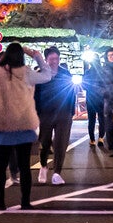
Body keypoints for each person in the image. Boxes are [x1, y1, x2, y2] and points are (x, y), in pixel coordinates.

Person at [0, 43, 52, 210]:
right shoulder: (27, 73)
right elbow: (47, 75)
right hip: (23, 124)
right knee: (24, 166)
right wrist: (36, 55)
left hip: (1, 124)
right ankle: (25, 202)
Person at [34, 46, 75, 185]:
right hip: (45, 113)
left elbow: (71, 92)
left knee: (61, 143)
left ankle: (57, 172)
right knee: (44, 142)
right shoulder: (40, 74)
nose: (54, 61)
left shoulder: (66, 74)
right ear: (46, 60)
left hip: (63, 112)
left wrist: (71, 111)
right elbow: (35, 95)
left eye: (56, 58)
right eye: (51, 59)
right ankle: (43, 165)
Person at [98, 49, 113, 156]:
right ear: (106, 57)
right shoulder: (103, 70)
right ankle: (112, 148)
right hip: (108, 100)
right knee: (109, 125)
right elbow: (97, 85)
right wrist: (104, 93)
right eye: (110, 55)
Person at [81, 51, 105, 148]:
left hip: (91, 98)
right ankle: (101, 138)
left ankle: (92, 139)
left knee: (91, 120)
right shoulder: (103, 72)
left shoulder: (87, 72)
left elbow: (84, 86)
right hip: (101, 98)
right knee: (102, 119)